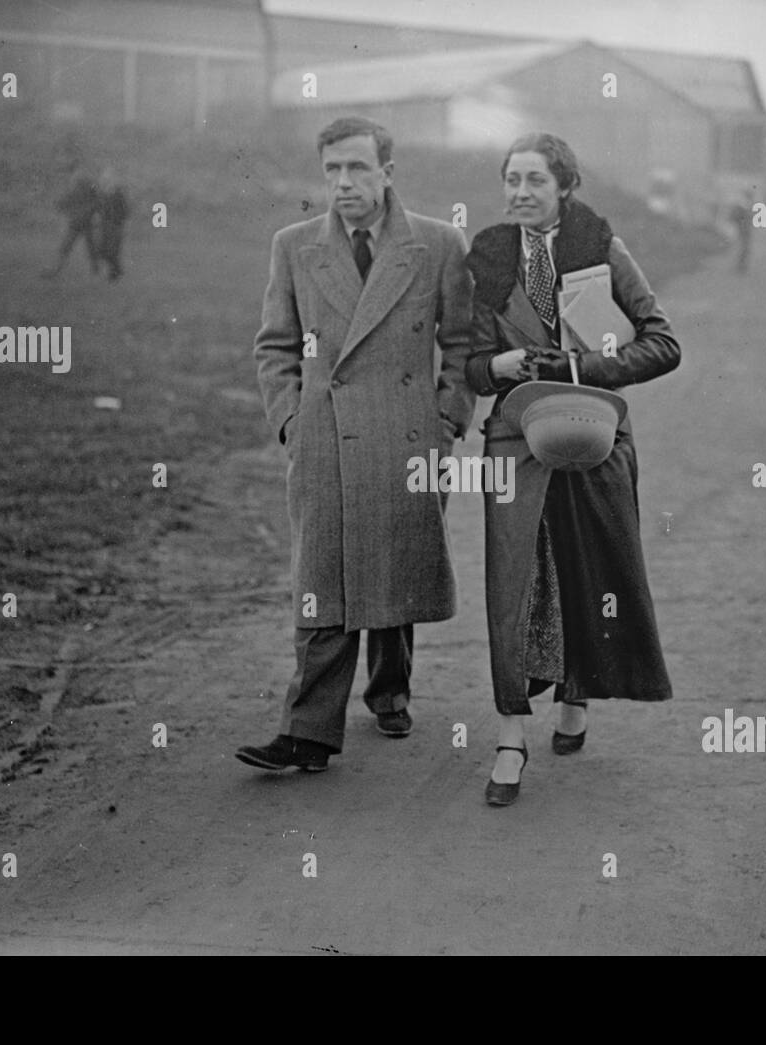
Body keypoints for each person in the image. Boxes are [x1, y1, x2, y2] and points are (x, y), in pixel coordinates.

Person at [236, 116, 475, 773]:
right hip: (325, 439)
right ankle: (308, 730)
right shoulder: (294, 246)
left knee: (397, 565)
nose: (343, 183)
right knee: (324, 576)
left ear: (387, 173)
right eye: (332, 170)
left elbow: (463, 343)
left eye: (357, 169)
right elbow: (275, 346)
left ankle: (390, 690)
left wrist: (447, 420)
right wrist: (292, 420)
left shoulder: (438, 244)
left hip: (408, 437)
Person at [464, 132, 679, 806]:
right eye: (511, 180)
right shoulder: (489, 257)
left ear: (565, 187)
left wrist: (583, 366)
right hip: (513, 435)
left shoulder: (601, 247)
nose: (520, 192)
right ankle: (508, 735)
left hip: (594, 431)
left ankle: (577, 690)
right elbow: (469, 361)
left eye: (534, 180)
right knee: (512, 577)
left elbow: (663, 342)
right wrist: (495, 368)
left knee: (589, 565)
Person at [41, 163, 99, 278]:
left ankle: (56, 269)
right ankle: (94, 269)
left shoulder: (77, 191)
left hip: (79, 222)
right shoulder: (88, 191)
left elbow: (63, 202)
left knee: (68, 246)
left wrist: (58, 206)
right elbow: (64, 202)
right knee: (87, 247)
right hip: (83, 221)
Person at [95, 165, 129, 281]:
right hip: (105, 225)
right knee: (102, 250)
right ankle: (117, 269)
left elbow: (125, 211)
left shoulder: (118, 194)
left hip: (115, 225)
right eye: (104, 178)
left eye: (107, 178)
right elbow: (100, 208)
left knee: (111, 251)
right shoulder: (103, 194)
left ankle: (114, 273)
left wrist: (118, 219)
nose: (105, 180)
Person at [728, 189, 755, 274]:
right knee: (744, 248)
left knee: (745, 249)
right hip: (743, 230)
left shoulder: (746, 206)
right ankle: (741, 267)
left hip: (745, 230)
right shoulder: (742, 206)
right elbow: (734, 218)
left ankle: (742, 267)